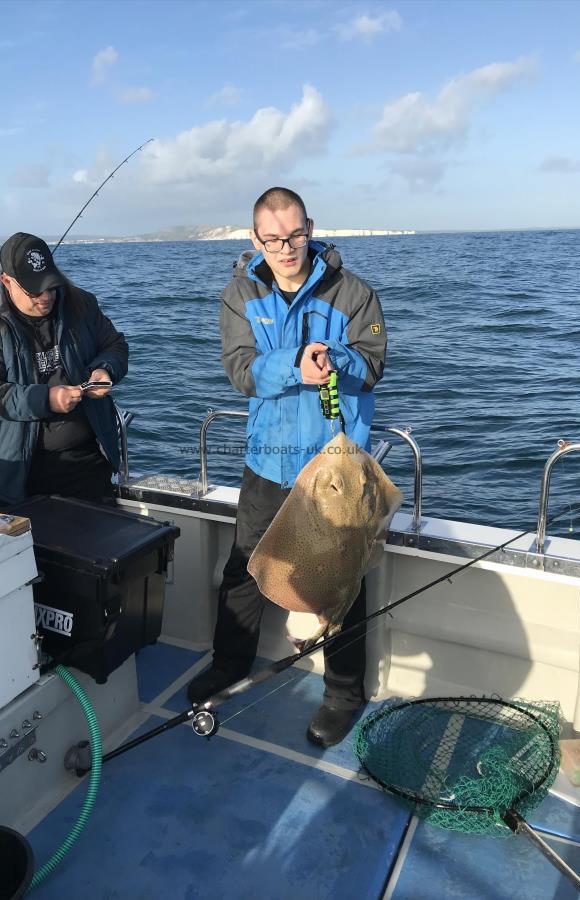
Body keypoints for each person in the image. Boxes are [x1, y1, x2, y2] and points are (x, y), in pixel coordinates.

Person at [187, 187, 387, 747]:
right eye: (273, 238)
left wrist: (335, 358)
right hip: (267, 462)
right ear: (256, 239)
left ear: (311, 229)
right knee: (246, 569)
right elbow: (239, 368)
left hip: (334, 468)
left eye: (295, 235)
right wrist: (292, 366)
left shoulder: (354, 292)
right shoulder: (239, 294)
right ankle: (230, 664)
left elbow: (372, 365)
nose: (286, 248)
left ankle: (345, 693)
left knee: (343, 582)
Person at [0, 232, 129, 511]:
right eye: (34, 290)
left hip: (86, 464)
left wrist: (104, 370)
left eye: (51, 286)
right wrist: (45, 400)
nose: (46, 297)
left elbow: (115, 344)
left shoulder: (80, 303)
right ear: (7, 282)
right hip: (14, 472)